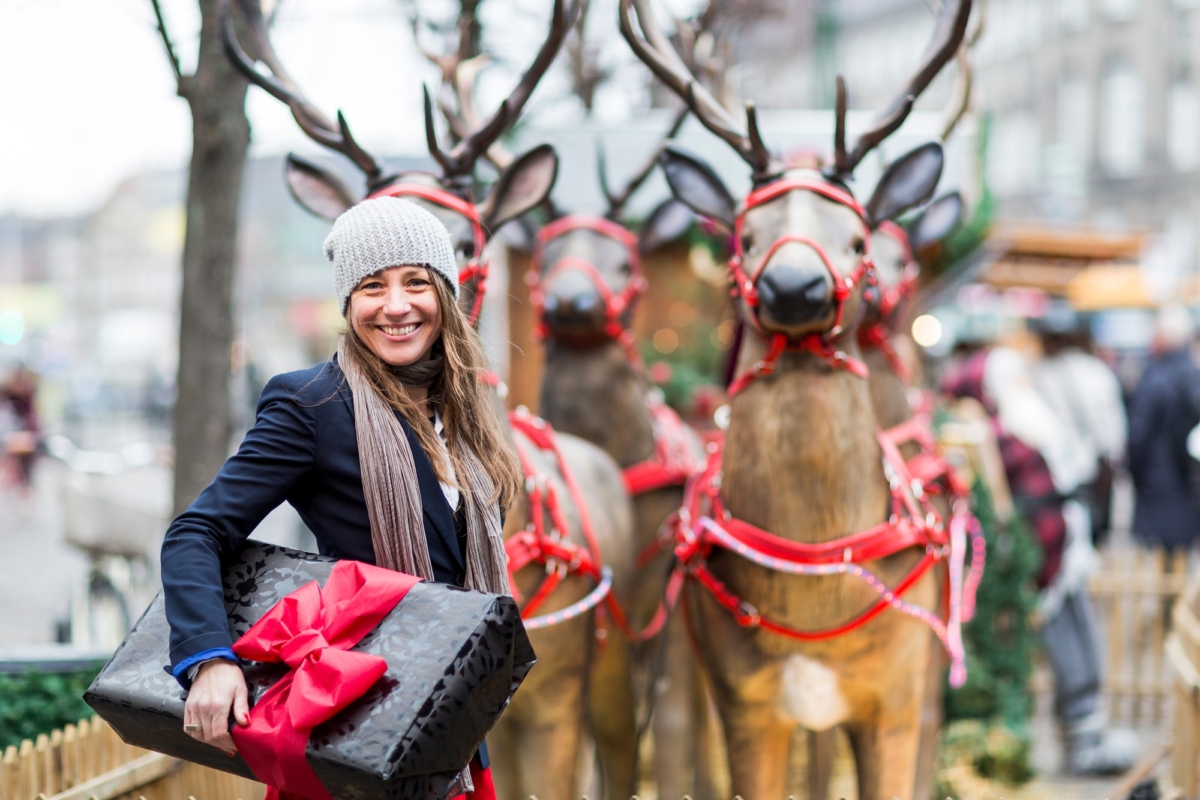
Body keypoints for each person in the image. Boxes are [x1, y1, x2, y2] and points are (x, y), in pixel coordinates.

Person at [160, 198, 522, 795]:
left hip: (448, 725)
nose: (397, 305)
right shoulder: (313, 404)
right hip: (355, 727)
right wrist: (210, 658)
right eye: (372, 286)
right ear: (348, 303)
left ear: (445, 295)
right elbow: (194, 533)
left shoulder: (460, 415)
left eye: (415, 282)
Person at [942, 344, 1136, 776]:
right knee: (1064, 644)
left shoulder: (1022, 419)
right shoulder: (991, 430)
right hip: (1038, 559)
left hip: (1062, 550)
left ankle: (1089, 732)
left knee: (1082, 635)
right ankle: (1081, 739)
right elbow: (1001, 502)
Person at [1031, 305, 1127, 546]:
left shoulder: (1040, 372)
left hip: (1054, 472)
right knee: (1092, 536)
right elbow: (1114, 430)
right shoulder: (1098, 371)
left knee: (1063, 538)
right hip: (1091, 467)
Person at [1127, 304, 1200, 553]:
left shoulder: (1156, 379)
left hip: (1158, 485)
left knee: (1158, 565)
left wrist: (1133, 470)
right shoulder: (1192, 375)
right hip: (1186, 486)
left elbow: (1139, 437)